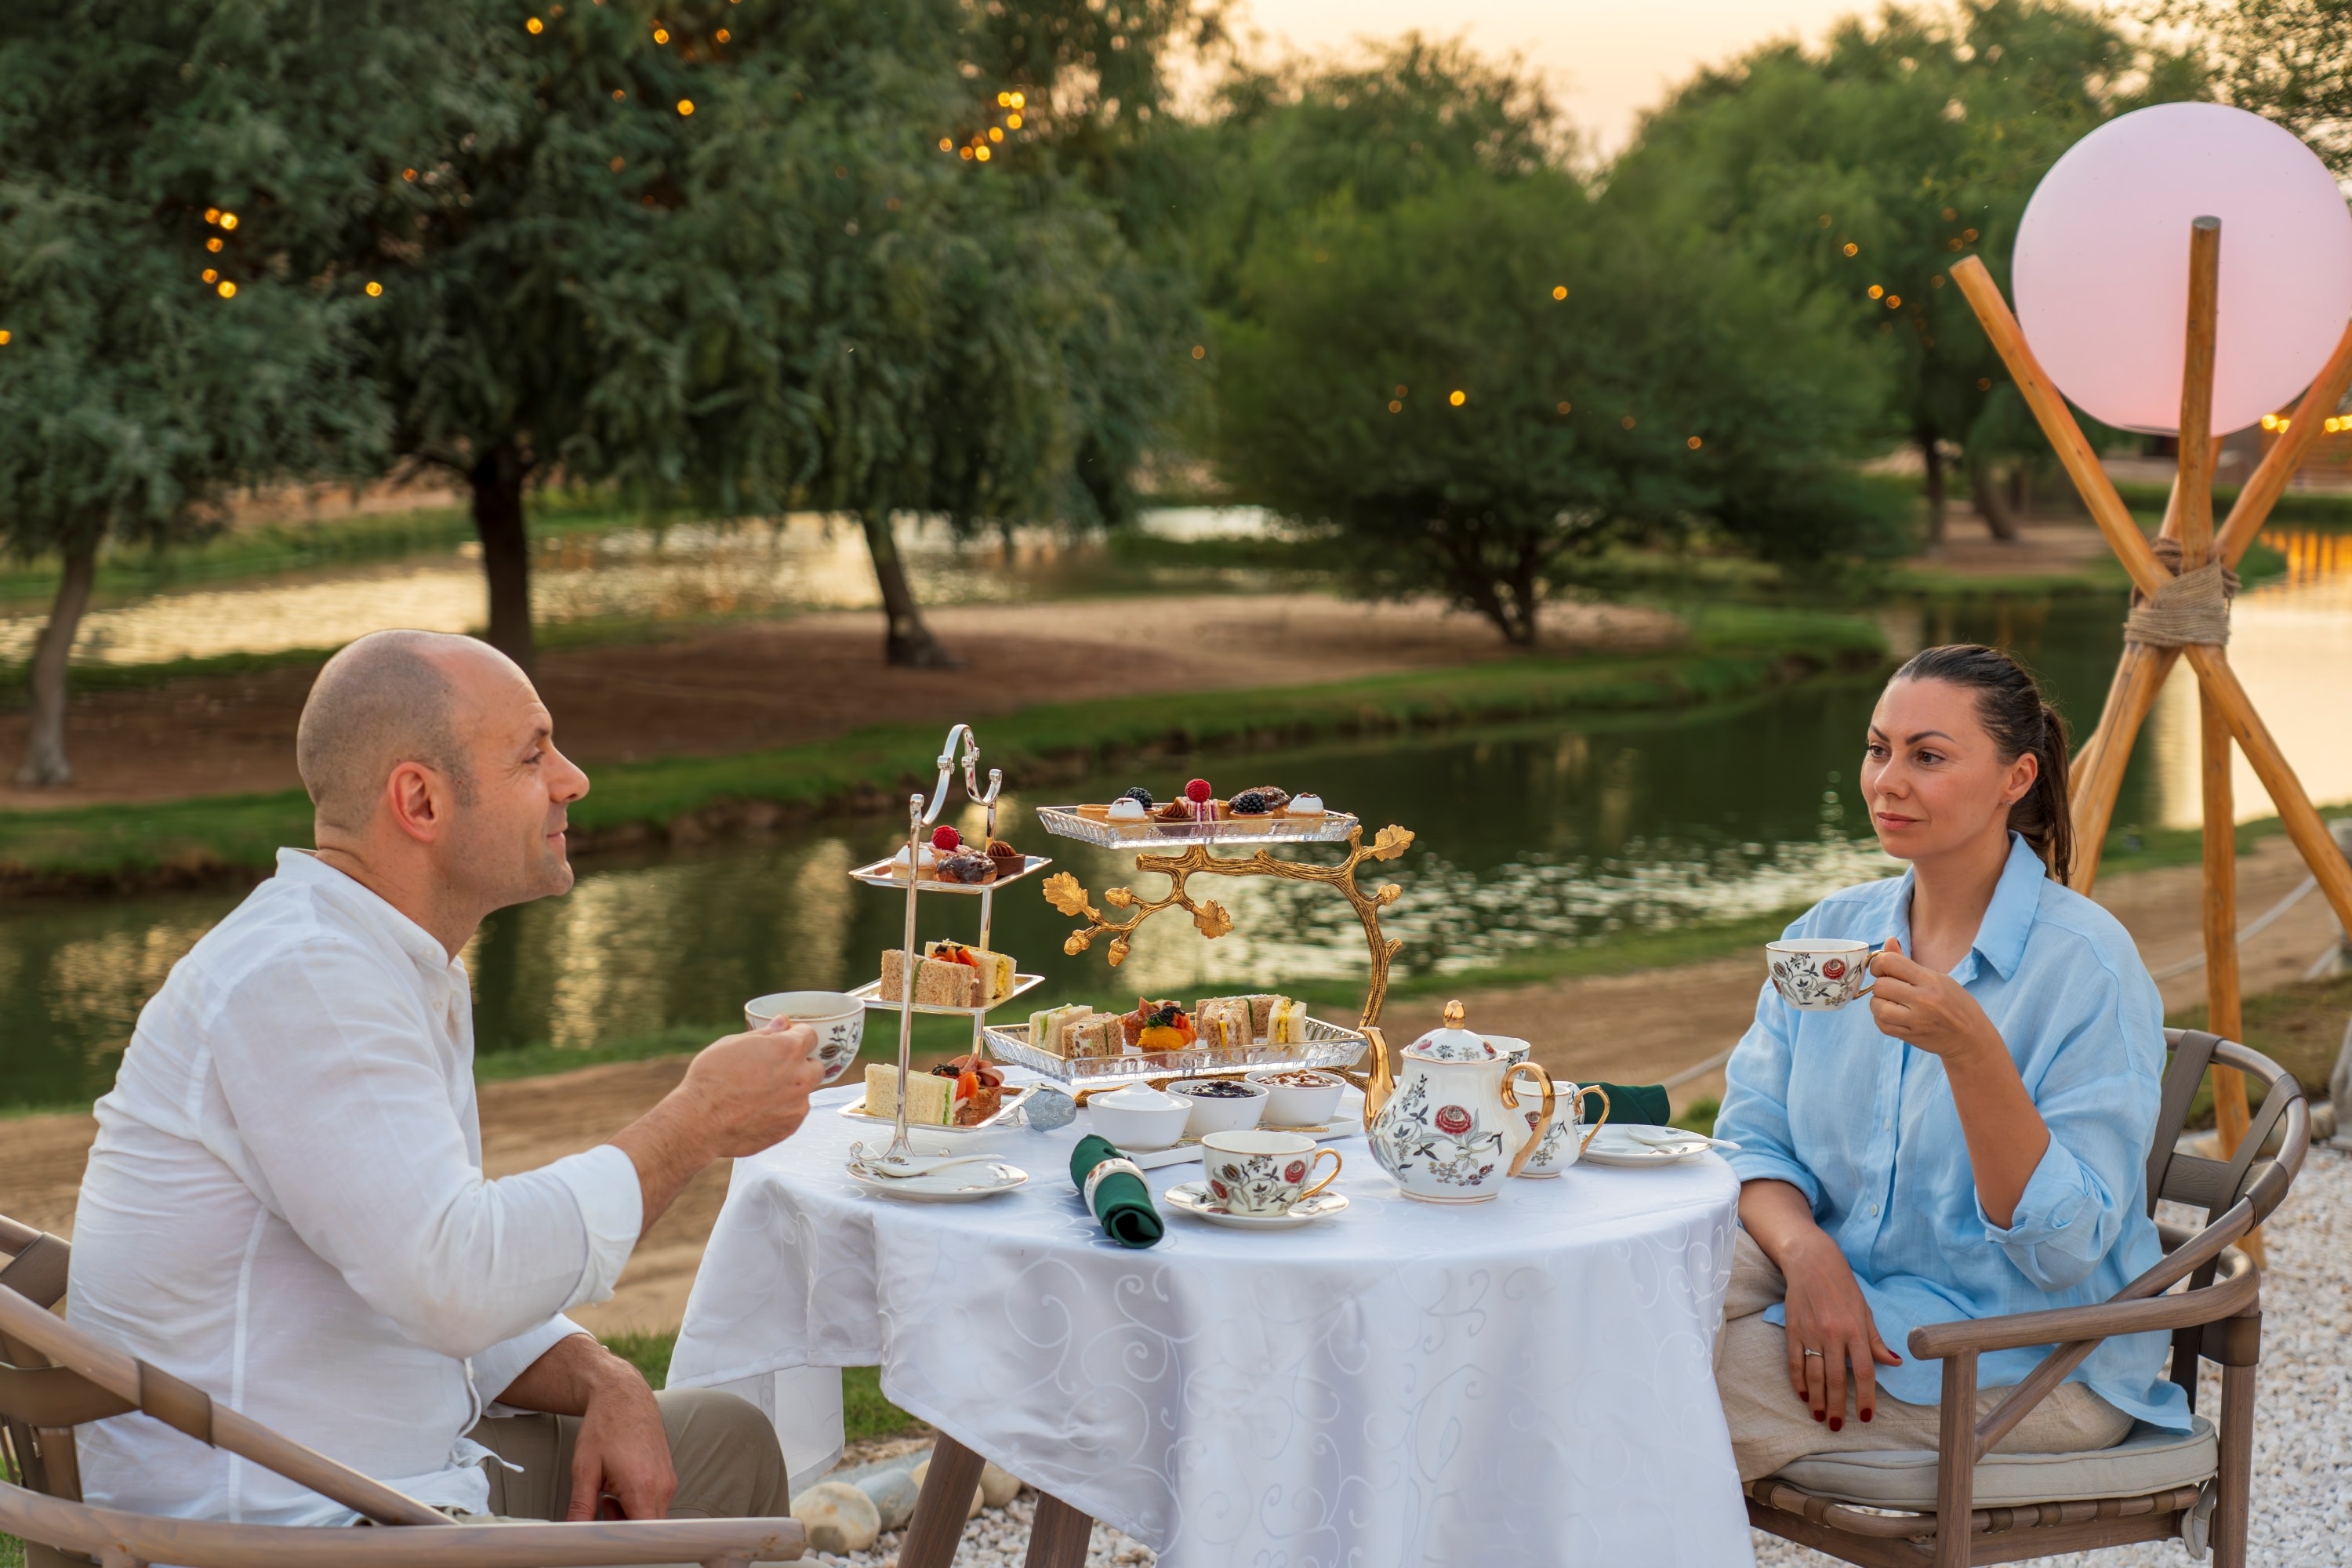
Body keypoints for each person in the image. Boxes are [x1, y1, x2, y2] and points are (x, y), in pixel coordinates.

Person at [68, 630, 830, 1526]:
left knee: (724, 1442)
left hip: (372, 1477)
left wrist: (597, 1370)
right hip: (288, 1531)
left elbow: (410, 1246)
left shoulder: (375, 959)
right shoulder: (304, 980)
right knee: (723, 1490)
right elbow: (454, 1274)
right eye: (533, 753)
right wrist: (695, 1123)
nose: (572, 779)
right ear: (420, 799)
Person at [1712, 643, 2190, 1483]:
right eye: (1877, 747)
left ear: (2016, 777)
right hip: (1846, 1280)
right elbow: (1752, 1135)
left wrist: (1973, 1053)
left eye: (1928, 756)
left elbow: (2069, 1248)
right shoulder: (1831, 933)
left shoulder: (2087, 968)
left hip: (2024, 1360)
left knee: (1661, 1379)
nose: (1886, 780)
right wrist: (1809, 1257)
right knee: (1621, 1290)